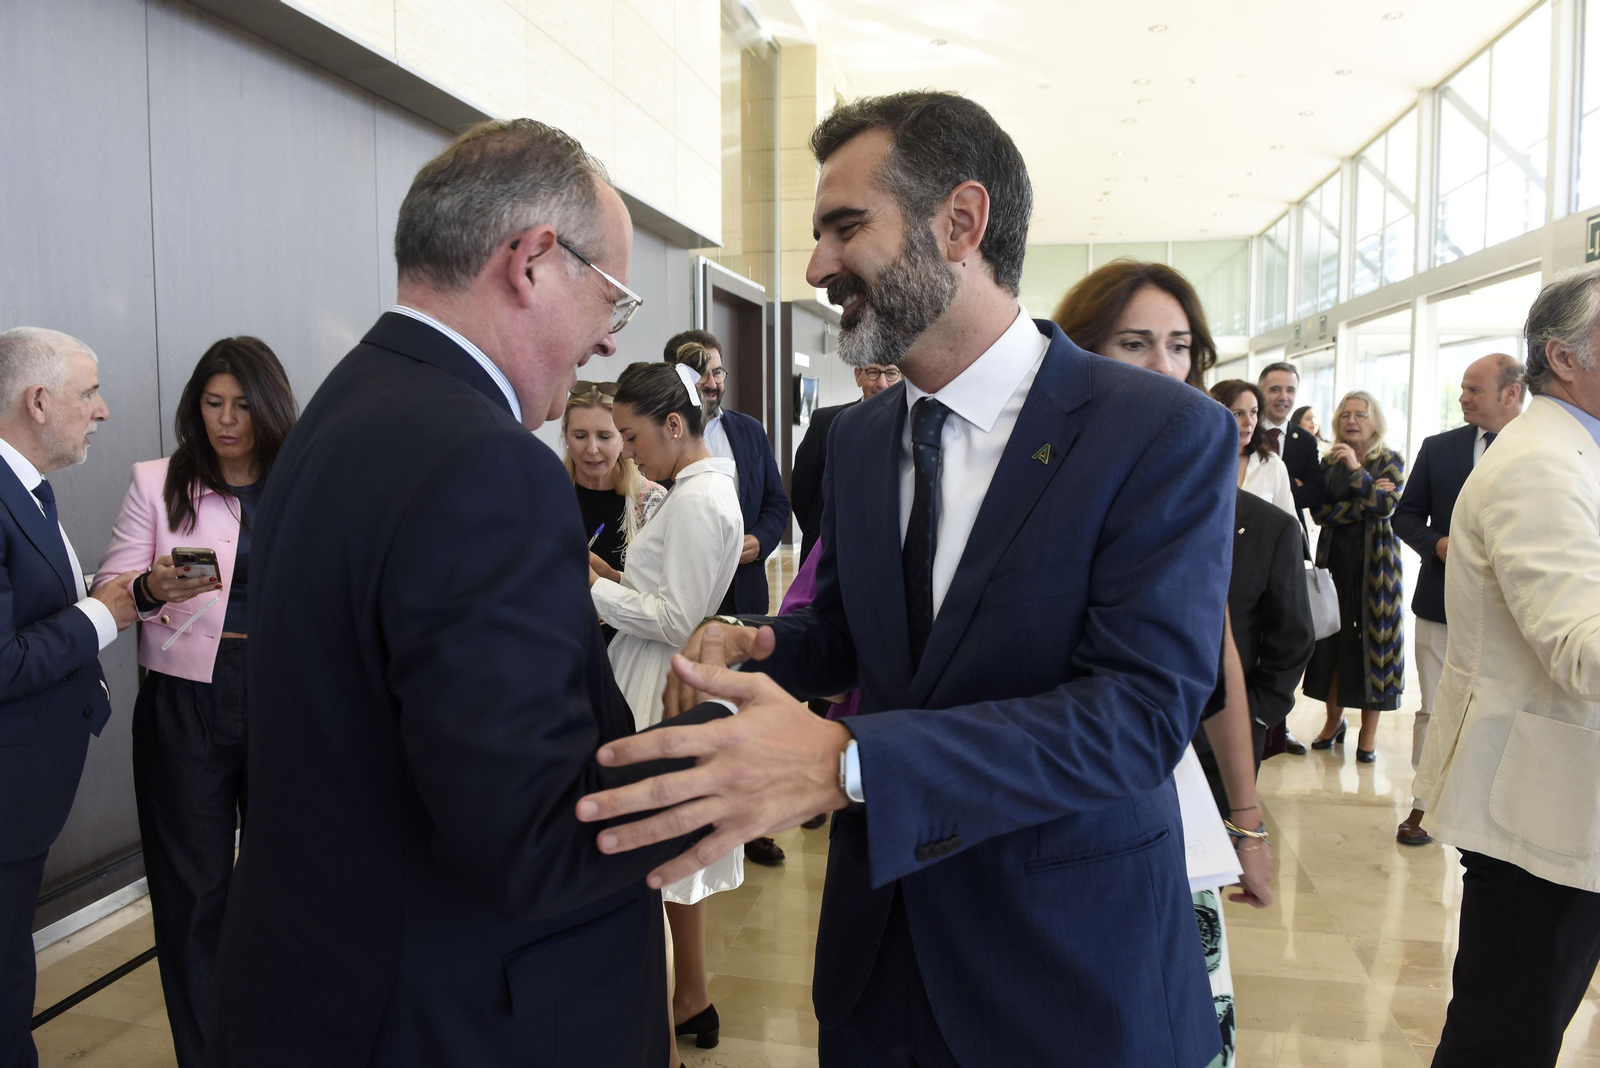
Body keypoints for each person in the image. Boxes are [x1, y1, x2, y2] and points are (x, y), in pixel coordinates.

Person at [577, 91, 1236, 1067]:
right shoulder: (859, 437)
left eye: (847, 228)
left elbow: (1136, 718)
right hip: (880, 965)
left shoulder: (1162, 433)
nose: (815, 267)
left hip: (1065, 970)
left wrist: (845, 763)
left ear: (960, 223)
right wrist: (761, 641)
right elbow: (851, 626)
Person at [211, 119, 731, 1068]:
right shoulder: (487, 464)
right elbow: (531, 836)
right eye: (612, 295)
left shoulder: (344, 407)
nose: (612, 334)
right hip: (452, 1013)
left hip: (326, 986)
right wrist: (730, 758)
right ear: (533, 260)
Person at [1055, 261, 1286, 1064]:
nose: (1165, 366)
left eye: (1180, 346)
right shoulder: (1039, 464)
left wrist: (1247, 823)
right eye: (1136, 343)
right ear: (1081, 349)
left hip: (1153, 791)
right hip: (1037, 792)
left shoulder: (1188, 476)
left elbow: (1214, 656)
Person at [92, 337, 297, 1068]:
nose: (227, 420)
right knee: (192, 895)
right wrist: (151, 587)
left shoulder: (304, 479)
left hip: (288, 697)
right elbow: (111, 588)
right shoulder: (158, 481)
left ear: (270, 405)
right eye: (213, 403)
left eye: (242, 404)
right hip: (185, 699)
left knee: (289, 886)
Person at [1415, 267, 1600, 1067]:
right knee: (1505, 1038)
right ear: (1564, 358)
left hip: (1567, 796)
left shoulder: (1576, 454)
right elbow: (1579, 648)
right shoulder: (1538, 467)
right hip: (1542, 810)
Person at [588, 356, 744, 1054]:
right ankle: (680, 996)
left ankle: (666, 997)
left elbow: (676, 616)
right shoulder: (691, 489)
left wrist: (586, 591)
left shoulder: (699, 497)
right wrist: (611, 576)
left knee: (652, 851)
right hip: (651, 667)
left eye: (630, 435)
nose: (624, 450)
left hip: (660, 678)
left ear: (674, 425)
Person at [0, 327, 137, 1068]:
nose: (103, 410)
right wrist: (101, 617)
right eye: (89, 393)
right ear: (39, 400)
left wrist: (103, 596)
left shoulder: (25, 489)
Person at [662, 330, 793, 870]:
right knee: (699, 708)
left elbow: (777, 502)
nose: (712, 382)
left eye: (717, 372)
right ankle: (700, 816)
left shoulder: (748, 431)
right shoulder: (657, 435)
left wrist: (761, 540)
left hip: (745, 595)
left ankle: (752, 825)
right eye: (700, 372)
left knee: (745, 708)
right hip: (686, 603)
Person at [1391, 353, 1523, 848]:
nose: (1463, 398)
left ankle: (1491, 806)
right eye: (1463, 389)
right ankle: (1422, 805)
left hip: (1514, 612)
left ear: (1511, 393)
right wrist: (1440, 545)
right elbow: (1405, 517)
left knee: (1501, 709)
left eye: (1474, 390)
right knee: (1433, 706)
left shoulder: (1541, 451)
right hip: (1441, 600)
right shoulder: (1439, 448)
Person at [1303, 390, 1405, 763]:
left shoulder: (1390, 461)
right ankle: (1334, 722)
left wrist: (1357, 473)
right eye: (1345, 414)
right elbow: (1320, 514)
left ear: (1375, 421)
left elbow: (1385, 507)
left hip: (1377, 572)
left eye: (1360, 414)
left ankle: (1369, 734)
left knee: (1373, 652)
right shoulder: (1326, 463)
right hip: (1334, 565)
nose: (1352, 421)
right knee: (1333, 645)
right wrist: (1364, 501)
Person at [562, 380, 667, 644]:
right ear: (565, 434)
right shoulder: (545, 497)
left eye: (604, 436)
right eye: (580, 435)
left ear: (623, 437)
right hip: (562, 643)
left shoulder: (652, 501)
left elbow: (661, 598)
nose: (592, 449)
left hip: (630, 647)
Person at [792, 362, 901, 563]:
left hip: (889, 558)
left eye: (891, 373)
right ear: (858, 375)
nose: (883, 384)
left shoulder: (912, 430)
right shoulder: (826, 422)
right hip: (828, 555)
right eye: (874, 372)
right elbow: (801, 492)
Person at [1211, 379, 1295, 515]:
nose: (1249, 422)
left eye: (1253, 412)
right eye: (1237, 414)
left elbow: (1291, 525)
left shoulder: (1271, 464)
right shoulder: (1200, 461)